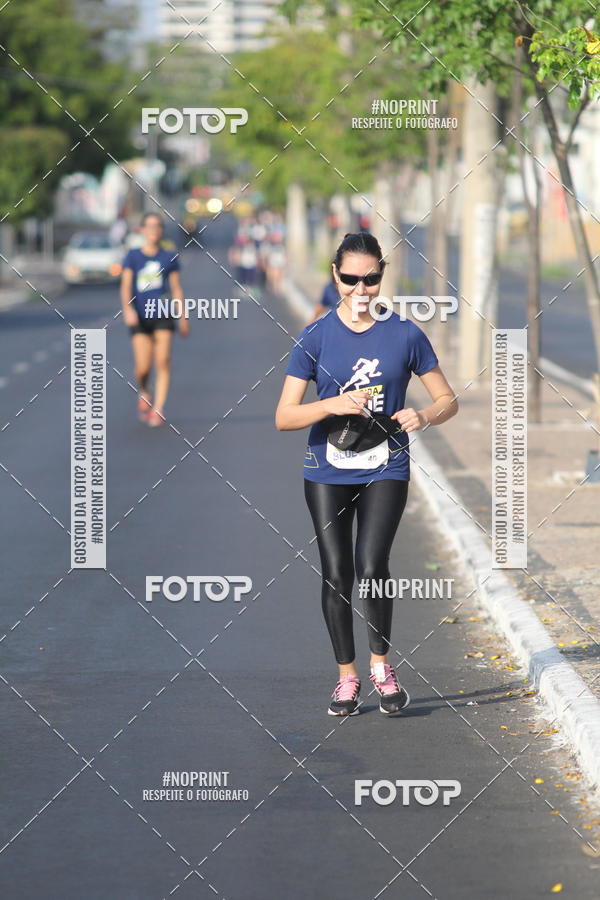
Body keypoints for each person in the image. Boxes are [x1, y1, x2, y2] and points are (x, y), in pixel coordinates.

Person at [275, 232, 458, 717]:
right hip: (326, 468)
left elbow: (448, 399)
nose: (361, 288)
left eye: (371, 278)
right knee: (337, 574)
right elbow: (284, 416)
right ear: (335, 275)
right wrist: (331, 403)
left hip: (387, 464)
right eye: (351, 278)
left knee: (373, 567)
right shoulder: (314, 337)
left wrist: (425, 416)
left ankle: (382, 668)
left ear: (381, 276)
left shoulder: (405, 334)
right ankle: (347, 678)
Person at [120, 212, 189, 426]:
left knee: (163, 361)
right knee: (142, 367)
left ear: (161, 230)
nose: (153, 230)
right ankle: (144, 390)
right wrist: (128, 309)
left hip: (163, 314)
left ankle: (158, 408)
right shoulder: (133, 256)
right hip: (140, 316)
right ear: (141, 230)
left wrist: (183, 316)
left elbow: (176, 288)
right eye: (149, 226)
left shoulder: (168, 257)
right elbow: (125, 286)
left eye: (157, 226)